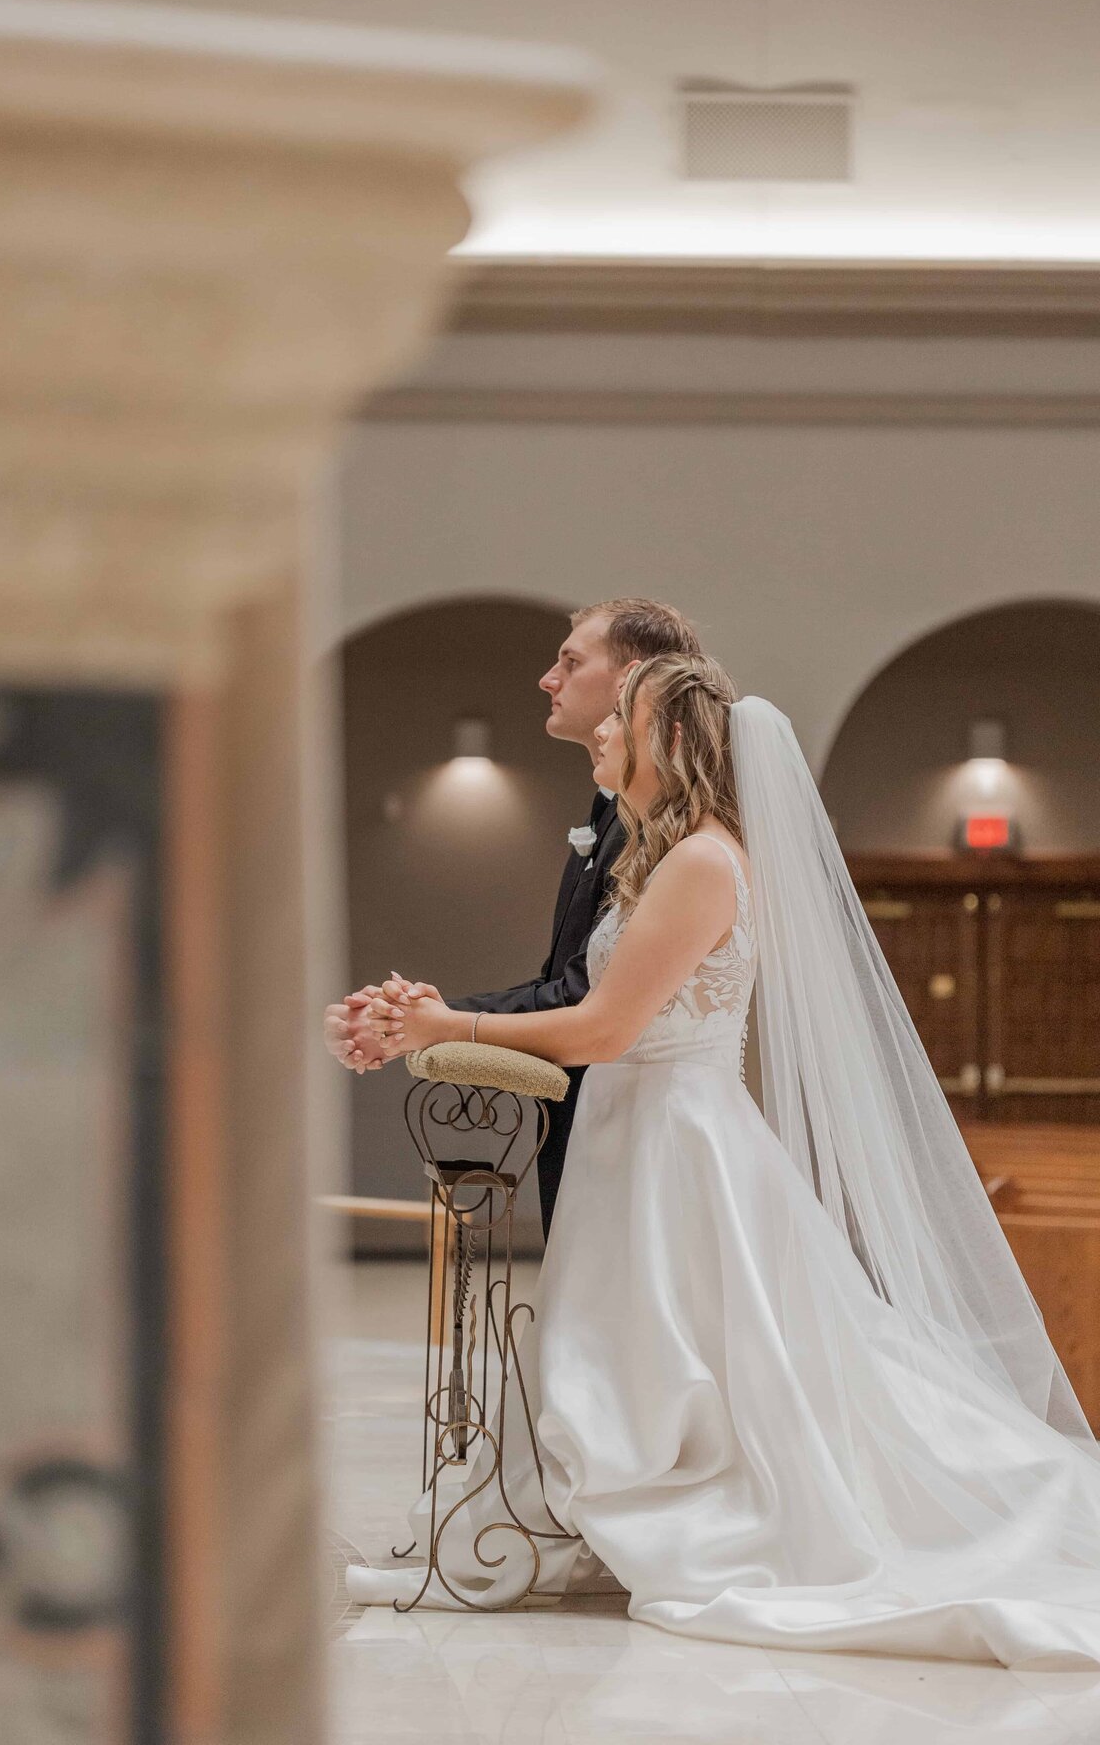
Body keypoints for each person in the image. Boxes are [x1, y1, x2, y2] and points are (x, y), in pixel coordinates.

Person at [345, 653, 1100, 1668]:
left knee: (674, 1358)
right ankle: (590, 1516)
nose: (604, 732)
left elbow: (608, 1026)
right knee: (658, 1353)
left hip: (673, 1144)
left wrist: (444, 1019)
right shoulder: (665, 857)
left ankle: (673, 1517)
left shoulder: (703, 861)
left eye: (627, 719)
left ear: (672, 744)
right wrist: (434, 1019)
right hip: (638, 1134)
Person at [323, 597, 700, 1238]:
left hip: (646, 1138)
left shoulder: (674, 839)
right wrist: (417, 1021)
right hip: (598, 1124)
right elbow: (568, 979)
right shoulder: (617, 810)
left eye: (570, 662)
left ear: (631, 677)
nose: (547, 679)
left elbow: (587, 1000)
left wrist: (431, 1025)